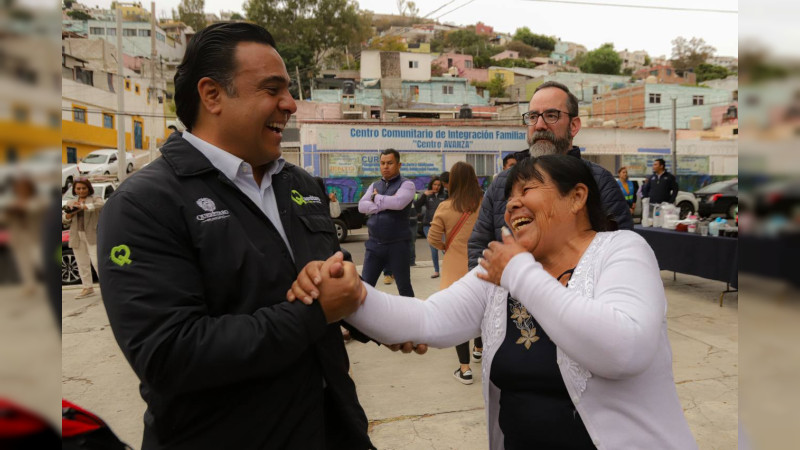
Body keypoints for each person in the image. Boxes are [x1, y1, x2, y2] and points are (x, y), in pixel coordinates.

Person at [289, 155, 696, 450]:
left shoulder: (622, 249)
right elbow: (429, 318)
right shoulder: (501, 271)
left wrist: (519, 271)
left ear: (577, 198)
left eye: (527, 189)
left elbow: (624, 350)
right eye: (509, 196)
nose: (512, 203)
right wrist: (354, 295)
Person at [97, 23, 372, 449]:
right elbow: (169, 354)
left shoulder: (299, 184)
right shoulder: (145, 203)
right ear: (212, 95)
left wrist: (378, 315)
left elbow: (332, 285)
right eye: (272, 89)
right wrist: (313, 313)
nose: (291, 104)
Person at [467, 81, 632, 271]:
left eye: (551, 116)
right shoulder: (501, 184)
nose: (539, 125)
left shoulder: (599, 181)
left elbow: (620, 255)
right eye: (533, 116)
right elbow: (479, 248)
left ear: (574, 126)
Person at [426, 162, 484, 384]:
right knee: (479, 309)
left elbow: (432, 238)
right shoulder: (483, 204)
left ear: (454, 181)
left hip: (454, 268)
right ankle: (479, 348)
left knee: (460, 315)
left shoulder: (445, 207)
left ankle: (465, 369)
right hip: (479, 265)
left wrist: (445, 248)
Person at [358, 148, 415, 297]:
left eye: (390, 163)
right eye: (382, 163)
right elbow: (361, 206)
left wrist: (376, 199)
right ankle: (363, 320)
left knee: (404, 289)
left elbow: (398, 203)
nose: (385, 166)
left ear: (399, 165)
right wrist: (383, 204)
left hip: (398, 245)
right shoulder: (375, 185)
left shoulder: (407, 185)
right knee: (365, 288)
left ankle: (411, 318)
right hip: (374, 245)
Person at [62, 177, 104, 299]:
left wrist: (83, 206)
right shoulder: (71, 202)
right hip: (77, 235)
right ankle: (88, 287)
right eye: (78, 188)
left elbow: (100, 205)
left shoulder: (95, 199)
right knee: (82, 263)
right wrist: (71, 213)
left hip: (92, 235)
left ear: (88, 188)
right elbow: (65, 219)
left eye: (83, 188)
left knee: (97, 263)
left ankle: (106, 288)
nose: (81, 191)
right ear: (74, 190)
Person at [414, 176, 447, 278]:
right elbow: (417, 206)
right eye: (434, 184)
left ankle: (448, 268)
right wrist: (424, 195)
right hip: (428, 225)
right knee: (433, 249)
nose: (436, 187)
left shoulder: (445, 195)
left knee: (444, 249)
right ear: (431, 185)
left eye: (438, 185)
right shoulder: (427, 195)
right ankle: (436, 271)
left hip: (442, 226)